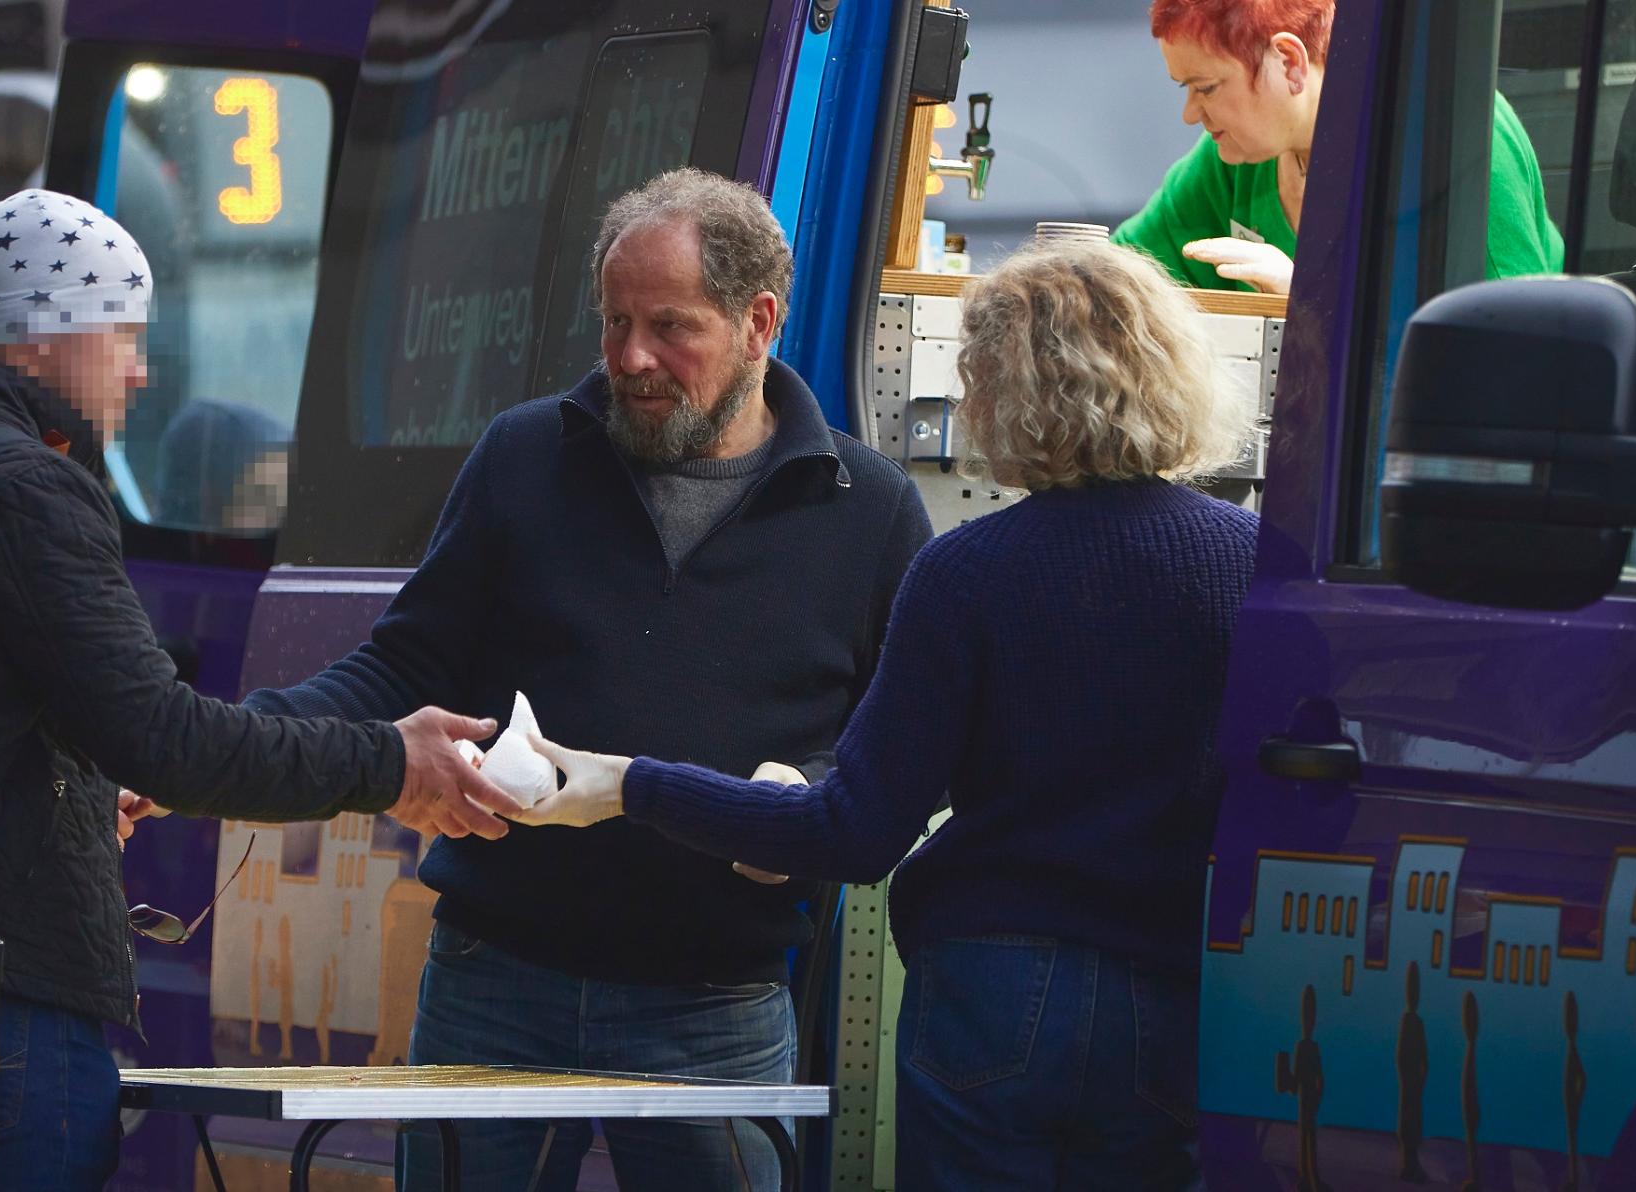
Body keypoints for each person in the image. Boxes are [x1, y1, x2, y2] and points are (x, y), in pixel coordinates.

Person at [0, 188, 523, 1192]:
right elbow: (165, 736)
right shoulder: (26, 486)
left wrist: (73, 798)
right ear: (45, 339)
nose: (136, 370)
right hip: (9, 1011)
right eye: (122, 335)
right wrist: (393, 763)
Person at [516, 240, 1260, 1190]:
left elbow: (854, 830)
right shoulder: (1255, 568)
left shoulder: (969, 573)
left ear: (1002, 389)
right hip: (1178, 992)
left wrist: (630, 784)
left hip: (990, 994)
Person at [244, 167, 931, 1191]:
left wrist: (801, 790)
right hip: (493, 975)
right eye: (613, 323)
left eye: (668, 326)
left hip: (717, 1002)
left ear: (759, 321)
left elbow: (896, 748)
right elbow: (403, 659)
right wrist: (233, 742)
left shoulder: (868, 509)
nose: (630, 359)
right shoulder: (526, 453)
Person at [1114, 0, 1564, 294]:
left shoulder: (1449, 136)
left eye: (1206, 88)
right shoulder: (1238, 158)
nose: (1190, 114)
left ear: (1288, 61)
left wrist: (1309, 304)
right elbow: (1119, 272)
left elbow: (1515, 357)